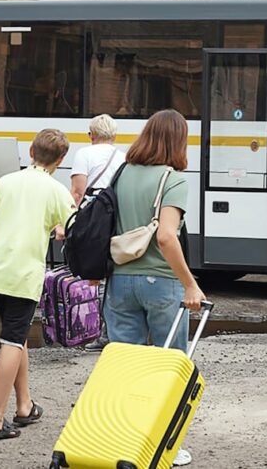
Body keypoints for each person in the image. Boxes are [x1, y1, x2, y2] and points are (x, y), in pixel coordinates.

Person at [0, 129, 76, 440]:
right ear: (60, 160)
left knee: (16, 336)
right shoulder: (57, 190)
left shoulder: (6, 182)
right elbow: (73, 230)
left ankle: (24, 406)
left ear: (31, 152)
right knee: (11, 340)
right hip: (24, 274)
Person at [104, 109, 203, 467]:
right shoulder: (172, 179)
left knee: (124, 365)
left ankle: (123, 440)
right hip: (161, 284)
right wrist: (189, 284)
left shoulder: (123, 174)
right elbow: (166, 236)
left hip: (120, 280)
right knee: (168, 367)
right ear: (178, 140)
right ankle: (164, 446)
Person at [70, 114, 126, 353]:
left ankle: (94, 329)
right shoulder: (123, 156)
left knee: (92, 269)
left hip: (93, 217)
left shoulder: (84, 154)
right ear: (113, 135)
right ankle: (110, 330)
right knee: (111, 268)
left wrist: (69, 222)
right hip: (115, 216)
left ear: (91, 134)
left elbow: (77, 191)